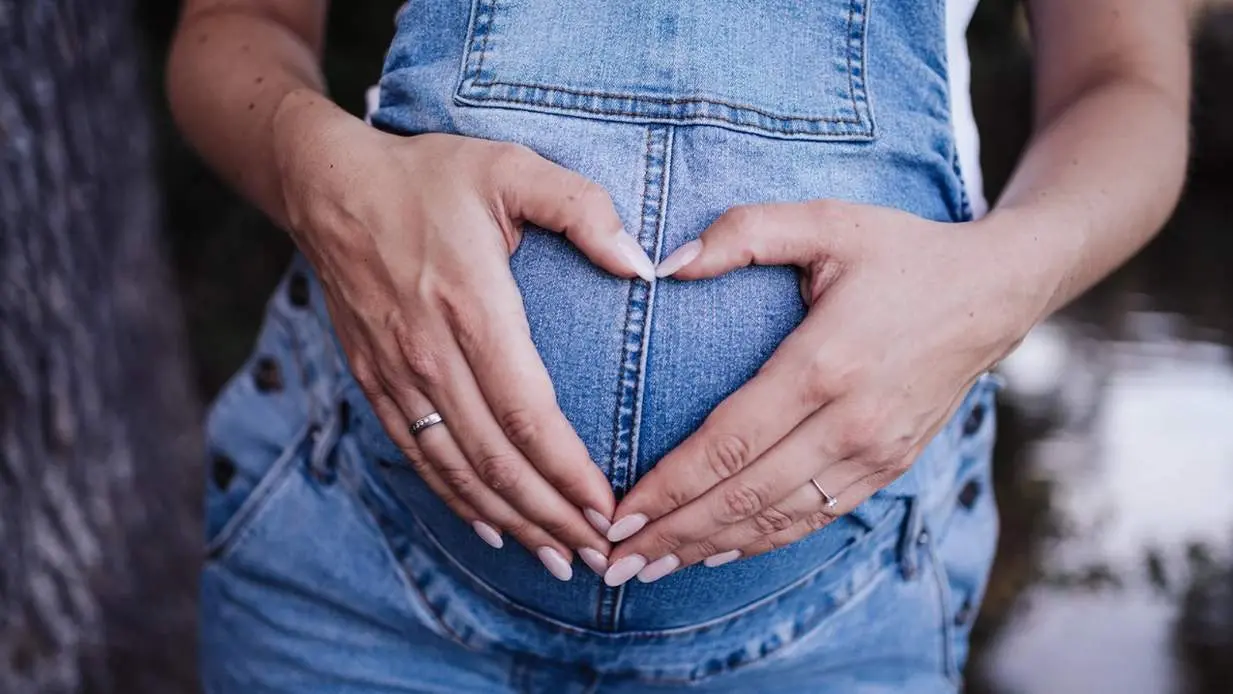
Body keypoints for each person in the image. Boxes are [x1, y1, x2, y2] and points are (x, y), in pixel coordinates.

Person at [168, 0, 1189, 691]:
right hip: (355, 571)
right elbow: (233, 28)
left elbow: (1125, 83)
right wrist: (324, 178)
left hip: (839, 616)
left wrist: (997, 286)